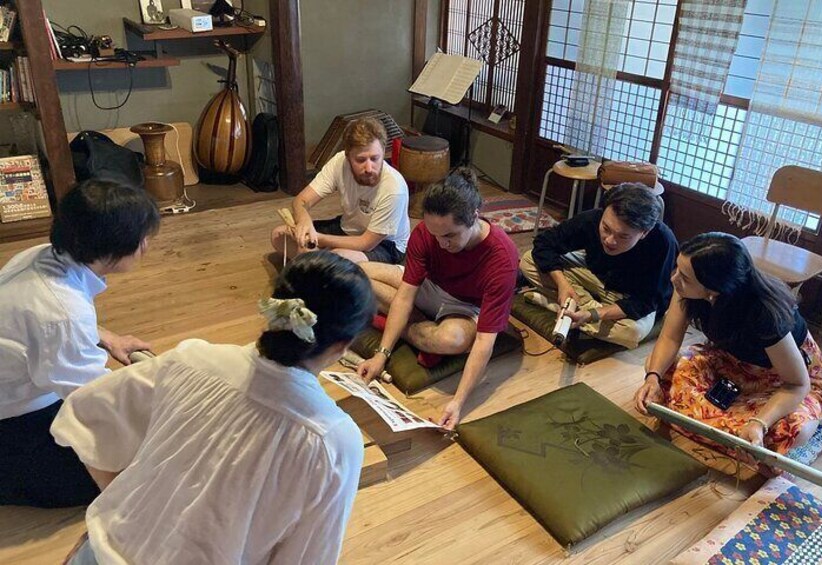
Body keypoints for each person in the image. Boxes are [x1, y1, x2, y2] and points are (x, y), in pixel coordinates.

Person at [53, 251, 375, 564]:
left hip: (97, 553)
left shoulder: (192, 358)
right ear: (340, 346)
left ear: (273, 309)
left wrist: (121, 513)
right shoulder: (332, 441)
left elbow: (83, 414)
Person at [0, 180, 159, 508]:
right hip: (13, 426)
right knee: (144, 458)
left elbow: (48, 324)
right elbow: (94, 403)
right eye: (143, 239)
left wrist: (106, 337)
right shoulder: (62, 311)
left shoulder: (39, 258)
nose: (147, 245)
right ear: (113, 248)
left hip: (20, 395)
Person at [634, 233, 822, 455]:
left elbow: (796, 385)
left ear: (714, 288)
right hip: (729, 362)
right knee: (657, 366)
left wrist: (759, 423)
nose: (674, 279)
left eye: (685, 277)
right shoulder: (687, 289)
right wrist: (652, 378)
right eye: (677, 269)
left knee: (793, 429)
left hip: (777, 378)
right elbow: (670, 338)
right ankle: (731, 431)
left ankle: (739, 429)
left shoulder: (764, 313)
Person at [357, 168, 519, 430]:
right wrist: (381, 355)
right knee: (357, 274)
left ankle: (410, 327)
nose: (442, 243)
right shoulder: (426, 232)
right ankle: (416, 327)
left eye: (450, 235)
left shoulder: (502, 257)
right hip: (429, 286)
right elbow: (405, 296)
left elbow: (484, 341)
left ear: (473, 218)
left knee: (448, 340)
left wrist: (457, 402)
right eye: (435, 235)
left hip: (465, 306)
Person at [520, 183, 677, 349]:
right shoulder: (593, 218)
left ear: (644, 232)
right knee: (528, 260)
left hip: (627, 296)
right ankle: (572, 309)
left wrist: (592, 314)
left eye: (623, 236)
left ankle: (558, 308)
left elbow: (646, 301)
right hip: (595, 274)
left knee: (632, 333)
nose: (609, 240)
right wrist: (562, 284)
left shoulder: (663, 242)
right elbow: (545, 243)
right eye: (606, 228)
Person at [271, 118, 410, 264]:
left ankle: (319, 263)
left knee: (334, 260)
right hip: (348, 229)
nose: (369, 168)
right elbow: (301, 200)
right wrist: (304, 221)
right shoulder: (339, 162)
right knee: (278, 235)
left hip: (384, 245)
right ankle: (320, 264)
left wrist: (316, 238)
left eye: (375, 158)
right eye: (361, 160)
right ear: (348, 156)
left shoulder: (394, 188)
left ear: (383, 152)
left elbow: (366, 243)